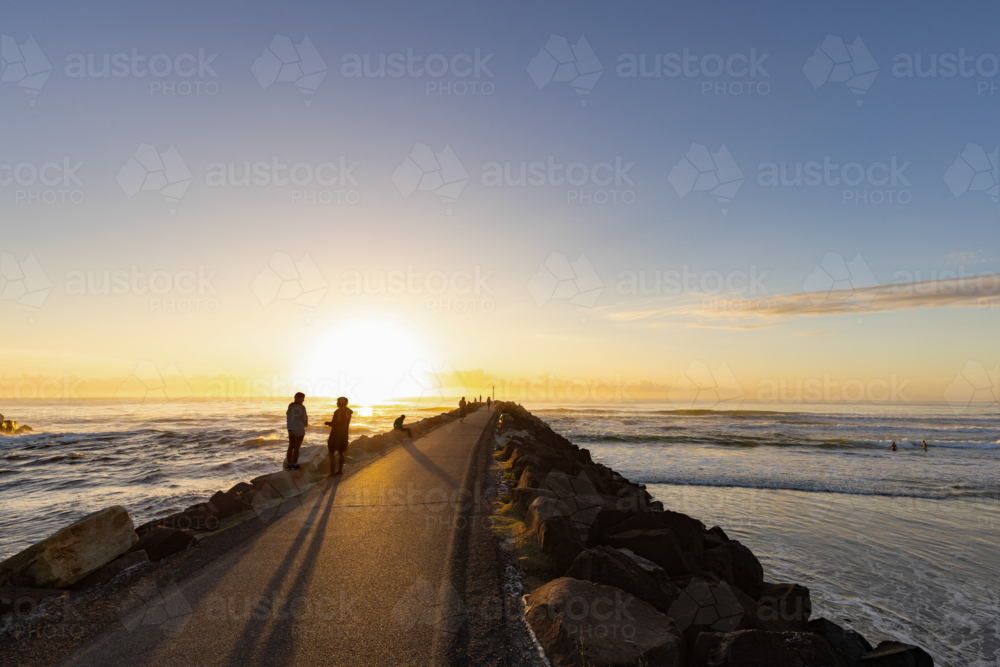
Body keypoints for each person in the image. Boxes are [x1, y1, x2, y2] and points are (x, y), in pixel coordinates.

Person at [325, 397, 353, 477]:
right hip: (344, 434)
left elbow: (335, 423)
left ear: (341, 403)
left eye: (337, 402)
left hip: (335, 434)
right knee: (341, 452)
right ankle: (340, 470)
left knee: (331, 452)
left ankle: (332, 472)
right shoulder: (348, 411)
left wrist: (328, 423)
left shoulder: (338, 411)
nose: (336, 403)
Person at [286, 392, 308, 470]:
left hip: (290, 429)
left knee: (290, 447)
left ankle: (289, 464)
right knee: (296, 448)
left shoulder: (290, 406)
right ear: (299, 398)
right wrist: (305, 425)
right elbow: (304, 419)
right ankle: (295, 464)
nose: (303, 400)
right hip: (298, 429)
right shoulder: (301, 407)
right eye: (302, 398)